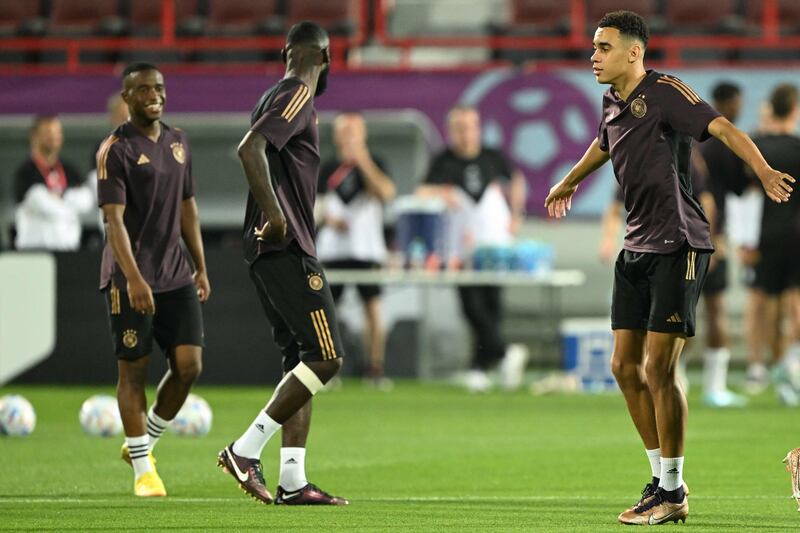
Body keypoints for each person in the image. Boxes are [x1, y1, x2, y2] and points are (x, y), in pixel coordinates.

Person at [545, 11, 794, 525]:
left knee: (660, 367)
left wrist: (764, 169)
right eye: (593, 47)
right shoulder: (613, 101)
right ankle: (662, 483)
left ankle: (672, 489)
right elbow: (603, 143)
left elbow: (721, 127)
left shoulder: (666, 91)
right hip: (636, 245)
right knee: (623, 368)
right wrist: (569, 179)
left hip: (679, 243)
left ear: (633, 52)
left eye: (603, 47)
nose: (593, 56)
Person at [217, 21, 348, 506]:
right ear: (327, 58)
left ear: (285, 51)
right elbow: (249, 148)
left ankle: (292, 479)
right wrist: (276, 218)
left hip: (269, 245)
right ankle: (245, 450)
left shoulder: (273, 93)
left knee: (300, 360)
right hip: (284, 244)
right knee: (327, 356)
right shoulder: (296, 94)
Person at [96, 62, 211, 497]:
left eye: (158, 88)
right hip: (131, 278)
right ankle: (144, 472)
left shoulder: (179, 142)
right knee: (134, 371)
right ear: (127, 98)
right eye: (143, 89)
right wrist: (134, 279)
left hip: (175, 272)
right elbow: (113, 222)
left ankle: (144, 444)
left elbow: (188, 207)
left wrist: (199, 265)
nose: (153, 95)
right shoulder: (115, 151)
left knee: (189, 366)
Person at [417, 104, 529, 393]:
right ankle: (504, 353)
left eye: (471, 127)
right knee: (471, 306)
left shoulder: (493, 157)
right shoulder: (443, 161)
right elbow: (421, 192)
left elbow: (516, 180)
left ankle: (479, 367)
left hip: (494, 245)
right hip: (460, 247)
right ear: (451, 131)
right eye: (460, 128)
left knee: (492, 305)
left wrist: (516, 215)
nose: (467, 134)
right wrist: (443, 192)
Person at [316, 112, 396, 389]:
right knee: (327, 309)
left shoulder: (375, 163)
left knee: (373, 308)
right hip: (333, 250)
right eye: (345, 131)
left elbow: (386, 193)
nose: (349, 137)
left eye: (355, 132)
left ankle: (374, 369)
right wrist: (328, 218)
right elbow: (314, 205)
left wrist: (362, 161)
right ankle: (327, 369)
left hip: (367, 249)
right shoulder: (326, 167)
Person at [733, 84, 800, 404]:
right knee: (794, 305)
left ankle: (760, 365)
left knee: (760, 303)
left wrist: (745, 239)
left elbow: (746, 196)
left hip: (764, 236)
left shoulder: (755, 146)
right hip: (796, 235)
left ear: (770, 109)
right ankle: (789, 364)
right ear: (795, 109)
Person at [694, 82, 750, 407]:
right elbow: (725, 195)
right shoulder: (724, 141)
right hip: (710, 238)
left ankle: (676, 378)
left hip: (684, 237)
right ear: (729, 103)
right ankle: (715, 387)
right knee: (715, 312)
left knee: (680, 315)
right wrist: (714, 240)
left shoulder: (694, 140)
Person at [13, 114, 94, 250]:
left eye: (57, 132)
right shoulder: (25, 172)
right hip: (34, 253)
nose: (53, 137)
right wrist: (68, 201)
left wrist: (58, 197)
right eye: (48, 132)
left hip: (68, 250)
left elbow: (86, 201)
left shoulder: (69, 170)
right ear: (34, 136)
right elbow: (38, 201)